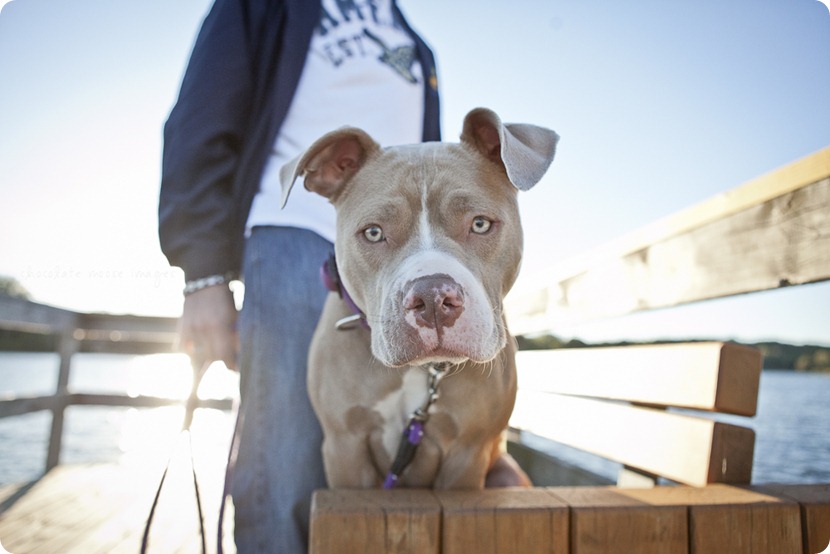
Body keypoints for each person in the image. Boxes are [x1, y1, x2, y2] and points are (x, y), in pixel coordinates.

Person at [158, 0, 440, 552]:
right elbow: (202, 115)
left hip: (396, 257)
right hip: (293, 230)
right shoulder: (262, 6)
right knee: (284, 457)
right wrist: (202, 274)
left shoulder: (413, 38)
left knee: (390, 461)